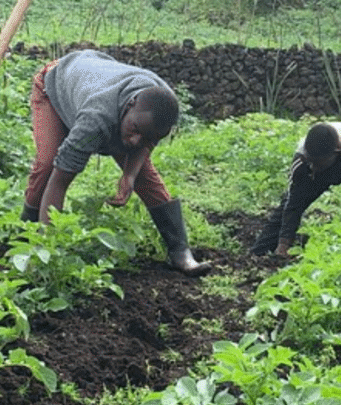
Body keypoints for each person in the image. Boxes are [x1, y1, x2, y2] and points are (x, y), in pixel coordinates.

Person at [22, 48, 211, 276]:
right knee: (46, 164)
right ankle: (28, 237)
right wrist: (48, 248)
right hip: (54, 84)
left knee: (145, 177)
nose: (135, 141)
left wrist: (130, 175)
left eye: (148, 138)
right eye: (135, 131)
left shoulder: (161, 106)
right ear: (130, 104)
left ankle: (180, 252)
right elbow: (59, 181)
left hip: (95, 74)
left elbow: (144, 140)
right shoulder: (97, 118)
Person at [251, 121, 341, 256]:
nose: (313, 167)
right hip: (319, 174)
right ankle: (258, 254)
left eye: (317, 163)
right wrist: (284, 243)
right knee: (288, 206)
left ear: (337, 150)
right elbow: (292, 204)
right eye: (311, 162)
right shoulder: (303, 160)